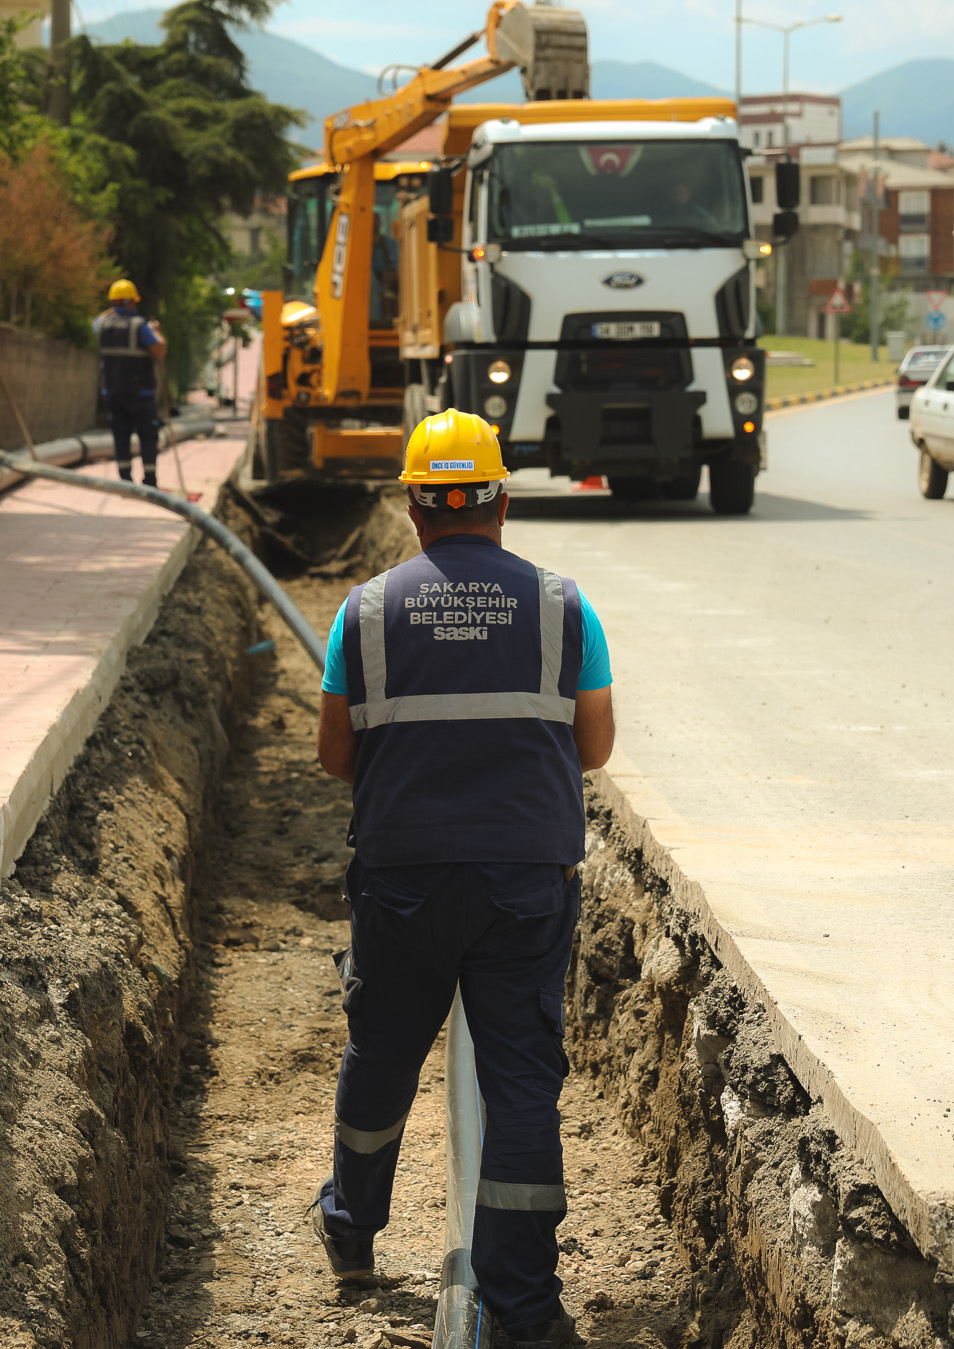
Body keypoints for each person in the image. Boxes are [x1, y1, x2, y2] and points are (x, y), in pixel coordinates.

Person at [309, 410, 615, 1349]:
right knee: (521, 1086)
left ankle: (352, 1230)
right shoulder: (566, 607)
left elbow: (333, 756)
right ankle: (523, 1309)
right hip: (526, 884)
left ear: (412, 507)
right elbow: (595, 748)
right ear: (503, 504)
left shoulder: (363, 611)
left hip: (403, 881)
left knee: (384, 1057)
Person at [92, 278, 168, 486]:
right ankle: (149, 479)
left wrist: (113, 308)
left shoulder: (102, 325)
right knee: (147, 435)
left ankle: (125, 480)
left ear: (113, 303)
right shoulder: (139, 325)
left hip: (112, 390)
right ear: (130, 302)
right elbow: (159, 350)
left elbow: (96, 320)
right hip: (140, 391)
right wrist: (157, 332)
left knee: (121, 435)